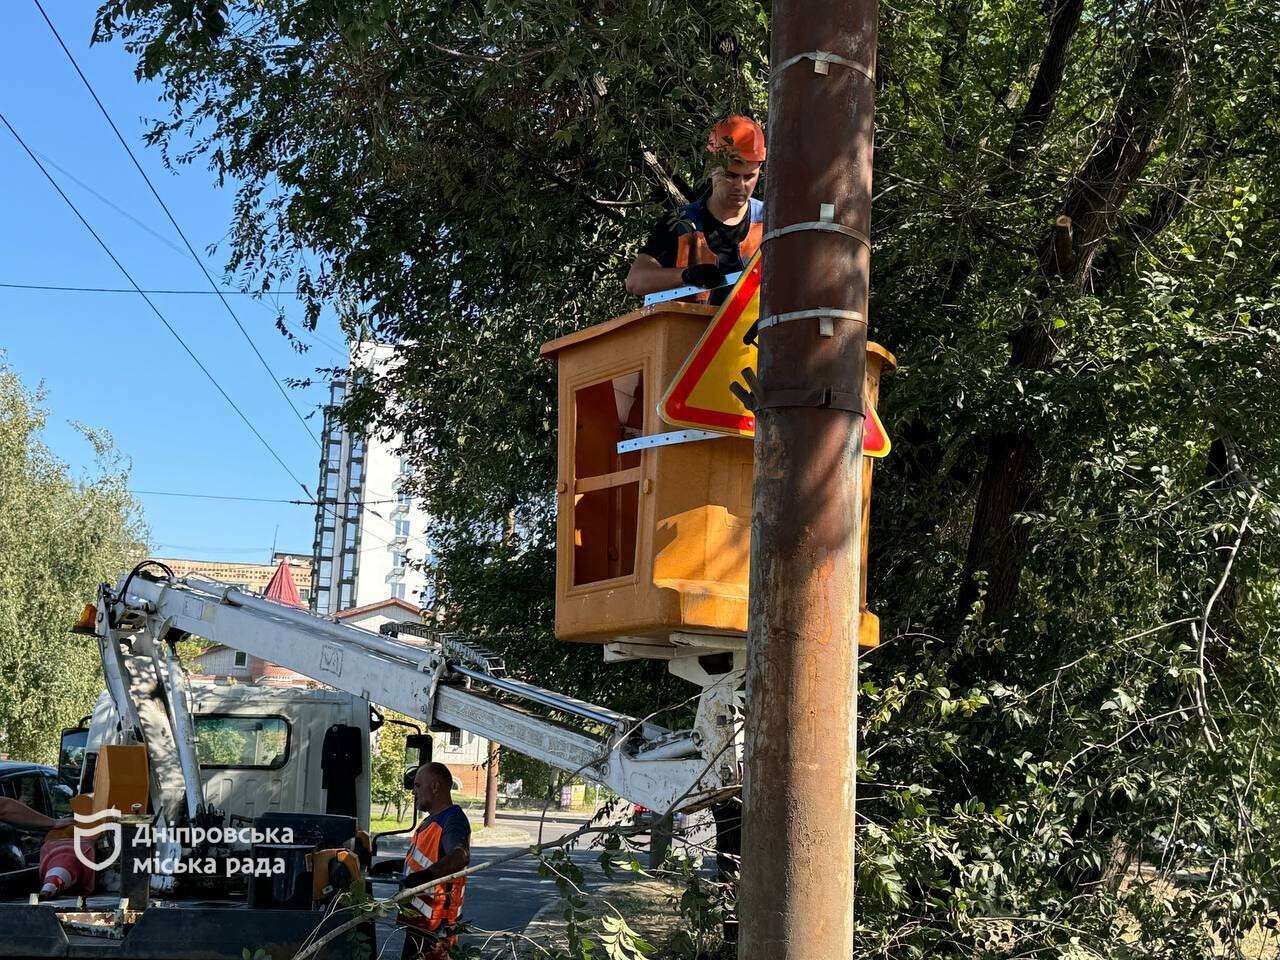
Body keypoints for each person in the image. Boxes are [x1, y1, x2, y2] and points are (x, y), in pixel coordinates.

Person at [625, 115, 766, 306]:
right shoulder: (681, 222)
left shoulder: (770, 220)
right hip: (693, 333)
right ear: (711, 168)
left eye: (749, 177)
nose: (740, 186)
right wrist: (687, 276)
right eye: (730, 176)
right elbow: (635, 281)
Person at [399, 763, 471, 960]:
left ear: (435, 787)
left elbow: (460, 856)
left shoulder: (452, 821)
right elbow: (422, 860)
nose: (413, 791)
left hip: (436, 928)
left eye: (417, 786)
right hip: (419, 923)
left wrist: (427, 876)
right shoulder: (430, 821)